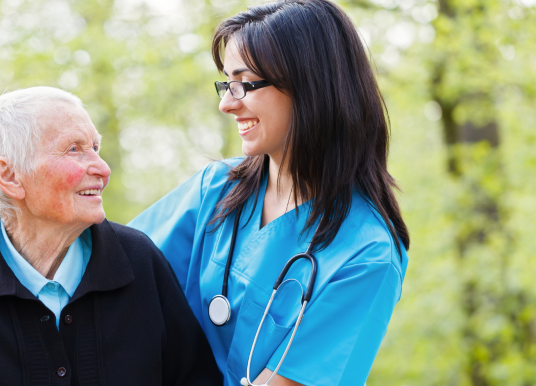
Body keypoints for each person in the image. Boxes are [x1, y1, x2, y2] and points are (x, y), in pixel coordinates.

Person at [128, 1, 411, 385]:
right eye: (226, 83)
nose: (226, 103)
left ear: (308, 85)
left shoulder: (367, 253)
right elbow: (116, 274)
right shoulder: (214, 189)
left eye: (243, 84)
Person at [0, 87, 222, 385]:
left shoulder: (140, 259)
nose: (102, 167)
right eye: (74, 149)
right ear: (9, 176)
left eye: (95, 147)